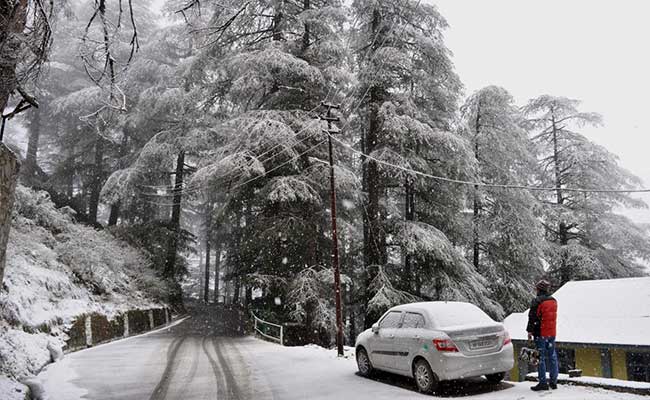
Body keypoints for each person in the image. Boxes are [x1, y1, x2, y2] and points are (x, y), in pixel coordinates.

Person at [526, 279, 559, 391]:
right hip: (551, 333)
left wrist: (529, 332)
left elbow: (532, 318)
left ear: (538, 289)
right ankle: (553, 381)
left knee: (540, 358)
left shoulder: (537, 301)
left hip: (540, 333)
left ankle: (543, 383)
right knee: (552, 356)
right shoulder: (554, 301)